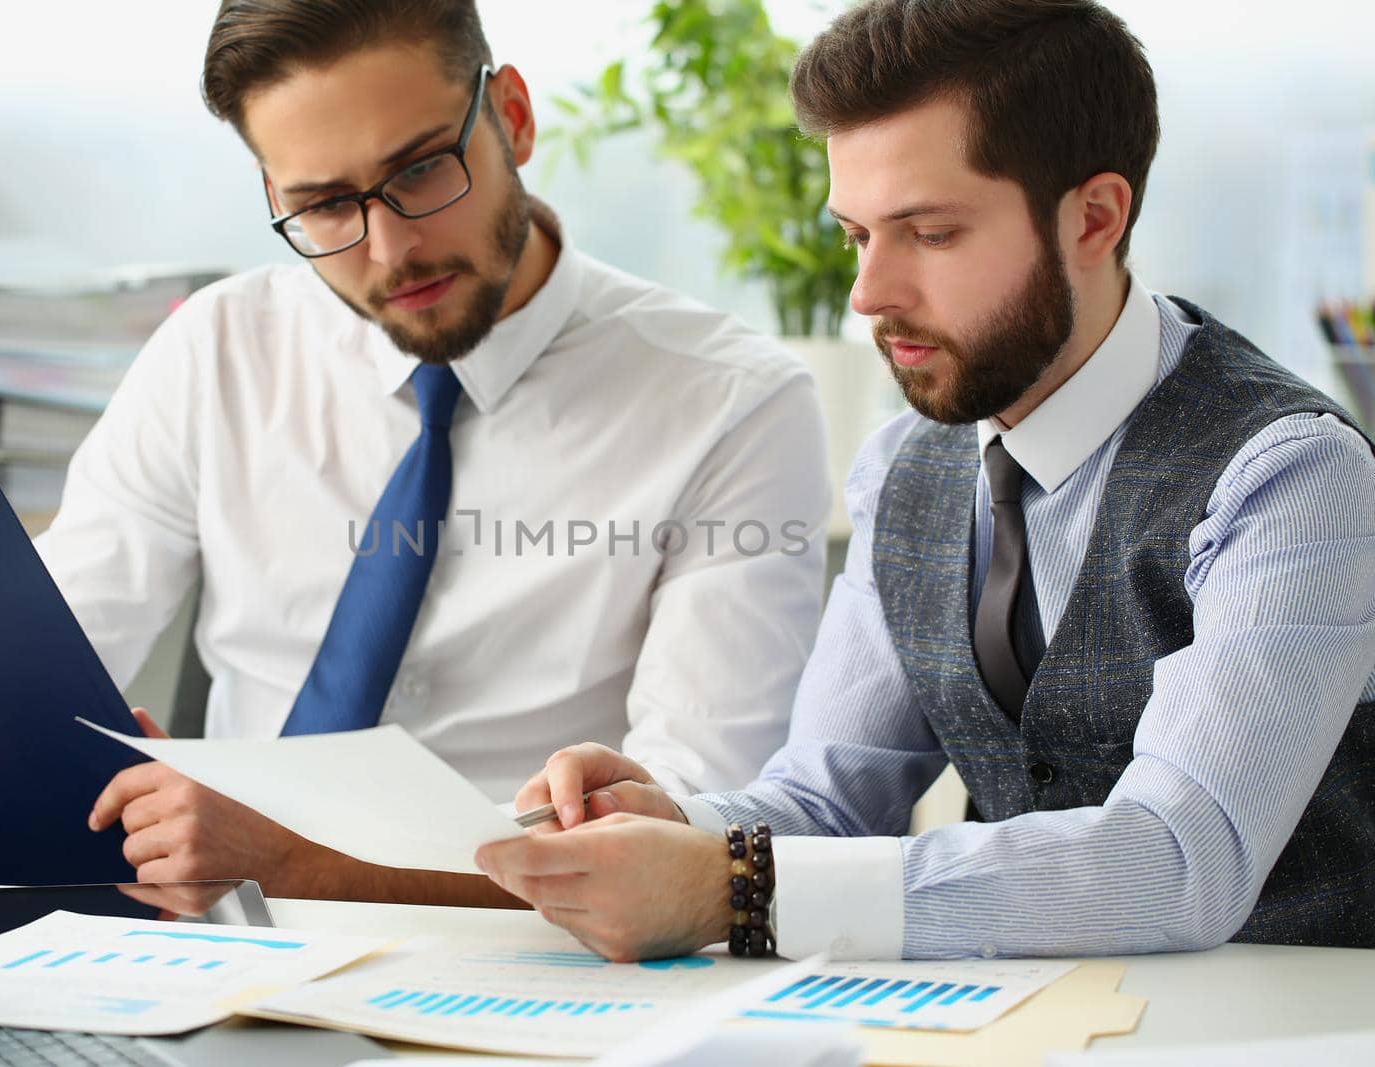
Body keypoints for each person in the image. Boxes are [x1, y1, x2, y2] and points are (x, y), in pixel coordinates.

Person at [0, 0, 832, 904]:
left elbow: (687, 828)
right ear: (274, 191)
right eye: (323, 205)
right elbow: (17, 675)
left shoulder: (731, 401)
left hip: (542, 964)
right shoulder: (216, 350)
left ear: (513, 115)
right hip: (221, 943)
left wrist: (294, 863)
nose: (389, 249)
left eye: (421, 169)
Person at [477, 0, 1375, 958]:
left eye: (931, 234)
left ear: (1095, 217)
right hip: (1008, 1027)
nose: (868, 292)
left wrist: (734, 887)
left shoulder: (1292, 473)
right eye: (858, 234)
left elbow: (1181, 860)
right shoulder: (904, 465)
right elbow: (825, 798)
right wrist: (678, 827)